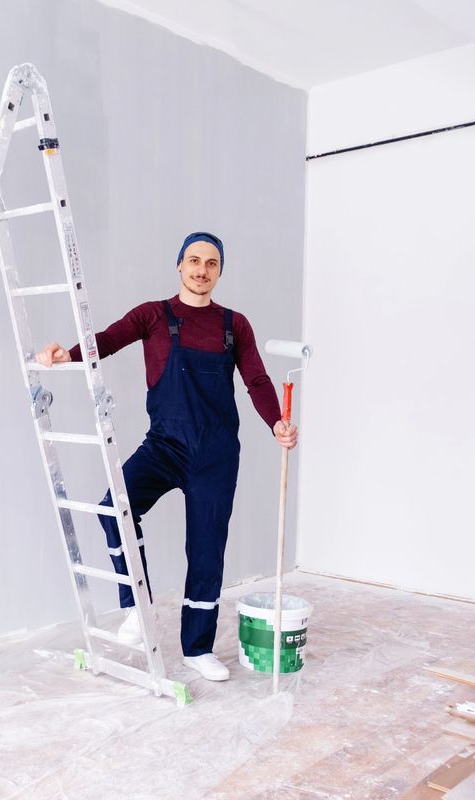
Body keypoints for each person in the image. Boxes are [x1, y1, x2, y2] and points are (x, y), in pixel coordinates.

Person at [37, 231, 298, 681]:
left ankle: (197, 648)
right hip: (166, 444)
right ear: (179, 265)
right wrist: (68, 355)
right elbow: (109, 339)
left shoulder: (235, 325)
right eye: (193, 261)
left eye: (211, 263)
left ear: (220, 271)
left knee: (207, 549)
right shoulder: (153, 315)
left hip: (216, 452)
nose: (201, 270)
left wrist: (275, 421)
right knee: (113, 509)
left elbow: (256, 379)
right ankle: (137, 609)